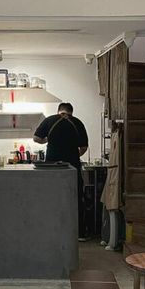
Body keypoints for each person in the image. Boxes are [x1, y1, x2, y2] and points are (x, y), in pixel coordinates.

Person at [33, 102, 89, 240]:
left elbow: (36, 138)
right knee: (76, 198)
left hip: (51, 167)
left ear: (58, 111)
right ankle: (80, 233)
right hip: (72, 166)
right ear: (71, 112)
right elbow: (83, 147)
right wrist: (74, 155)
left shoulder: (49, 120)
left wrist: (47, 139)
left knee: (51, 198)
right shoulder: (77, 123)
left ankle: (51, 231)